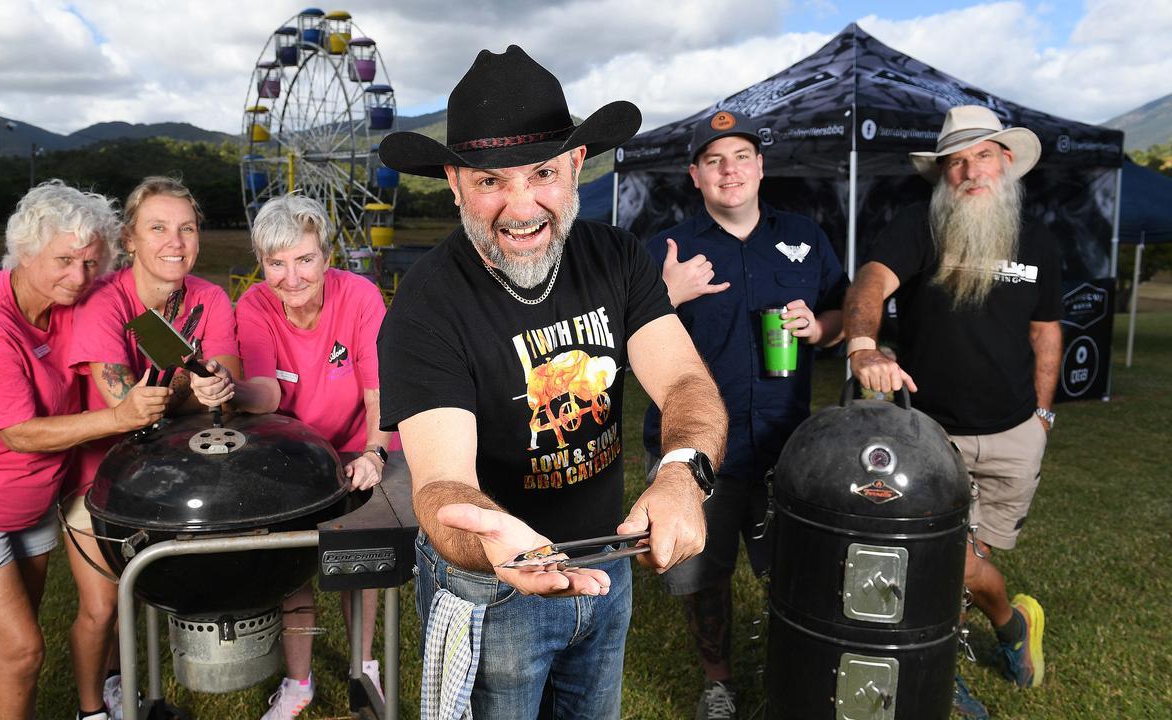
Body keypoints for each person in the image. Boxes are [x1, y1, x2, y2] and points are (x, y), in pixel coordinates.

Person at [375, 45, 727, 719]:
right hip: (492, 587)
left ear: (574, 165)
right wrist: (492, 543)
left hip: (607, 567)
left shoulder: (617, 258)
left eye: (540, 173)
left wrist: (683, 472)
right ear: (453, 183)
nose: (520, 206)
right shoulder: (427, 304)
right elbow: (441, 484)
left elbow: (683, 380)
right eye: (488, 182)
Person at [0, 181, 170, 720]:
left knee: (21, 639)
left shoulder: (77, 298)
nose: (79, 276)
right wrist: (118, 417)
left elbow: (139, 318)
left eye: (91, 262)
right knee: (21, 651)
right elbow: (18, 432)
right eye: (64, 260)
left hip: (29, 506)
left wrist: (198, 369)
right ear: (23, 252)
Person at [842, 105, 1060, 719]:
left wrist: (1043, 415)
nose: (969, 170)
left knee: (975, 560)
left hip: (1017, 432)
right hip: (934, 435)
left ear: (1006, 161)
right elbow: (869, 284)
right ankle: (958, 655)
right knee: (944, 560)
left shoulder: (1038, 239)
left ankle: (1007, 622)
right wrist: (863, 344)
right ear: (942, 173)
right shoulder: (918, 226)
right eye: (956, 161)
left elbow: (1047, 334)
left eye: (982, 155)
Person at [643, 109, 848, 720]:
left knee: (797, 568)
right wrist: (668, 296)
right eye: (714, 161)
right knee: (704, 574)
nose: (729, 171)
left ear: (760, 168)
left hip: (787, 444)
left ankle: (796, 669)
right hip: (698, 447)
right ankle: (718, 683)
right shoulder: (667, 250)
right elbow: (616, 343)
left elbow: (841, 314)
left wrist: (820, 327)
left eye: (740, 158)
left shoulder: (806, 237)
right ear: (695, 175)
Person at [190, 193, 397, 720]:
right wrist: (230, 388)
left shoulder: (360, 296)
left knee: (359, 558)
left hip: (355, 441)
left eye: (304, 259)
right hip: (290, 449)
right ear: (263, 264)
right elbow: (268, 392)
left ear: (326, 256)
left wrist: (374, 452)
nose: (291, 276)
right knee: (293, 567)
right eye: (276, 263)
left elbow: (378, 390)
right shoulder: (255, 305)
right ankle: (299, 681)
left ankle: (362, 666)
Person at [63, 176, 240, 720]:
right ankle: (92, 710)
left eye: (187, 228)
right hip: (102, 480)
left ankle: (126, 687)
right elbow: (128, 406)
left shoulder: (208, 298)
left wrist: (218, 389)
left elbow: (227, 386)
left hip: (174, 479)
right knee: (101, 610)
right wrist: (196, 388)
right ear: (130, 239)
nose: (175, 241)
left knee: (146, 596)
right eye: (158, 228)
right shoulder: (105, 300)